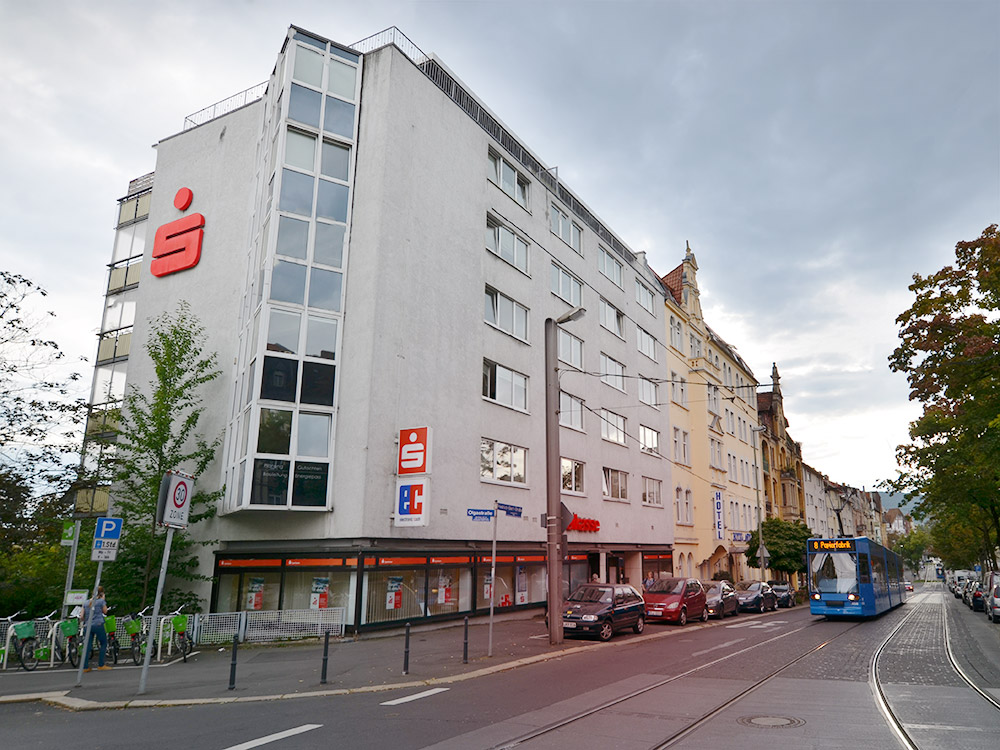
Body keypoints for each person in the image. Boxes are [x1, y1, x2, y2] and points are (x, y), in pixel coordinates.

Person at [82, 586, 110, 671]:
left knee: (87, 646)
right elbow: (105, 611)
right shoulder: (101, 601)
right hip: (98, 624)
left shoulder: (86, 602)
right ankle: (101, 664)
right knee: (103, 643)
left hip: (88, 625)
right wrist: (103, 599)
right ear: (101, 593)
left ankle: (85, 666)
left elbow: (81, 616)